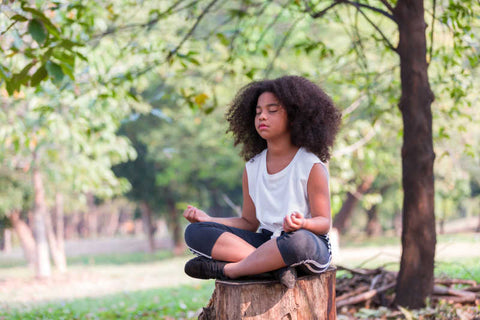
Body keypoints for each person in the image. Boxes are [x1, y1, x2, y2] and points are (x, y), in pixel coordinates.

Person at [182, 75, 341, 288]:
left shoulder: (310, 165)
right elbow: (249, 222)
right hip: (266, 242)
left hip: (304, 243)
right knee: (195, 232)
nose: (262, 117)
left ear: (294, 117)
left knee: (298, 241)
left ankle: (231, 270)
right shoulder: (253, 167)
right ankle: (272, 267)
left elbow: (323, 223)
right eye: (258, 112)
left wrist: (302, 224)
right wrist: (208, 219)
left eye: (272, 110)